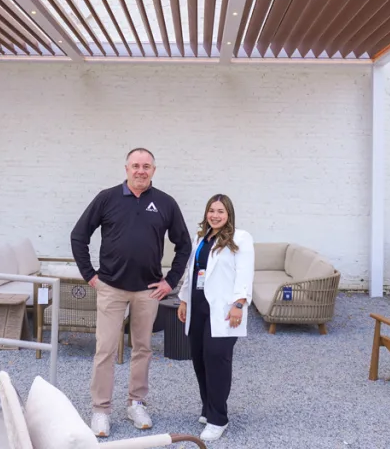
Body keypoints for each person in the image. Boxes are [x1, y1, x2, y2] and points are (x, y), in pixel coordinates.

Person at [71, 148, 192, 438]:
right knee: (105, 350)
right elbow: (79, 236)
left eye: (146, 166)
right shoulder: (107, 198)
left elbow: (184, 244)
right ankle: (100, 410)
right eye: (136, 165)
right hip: (111, 288)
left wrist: (170, 281)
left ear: (154, 170)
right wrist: (90, 275)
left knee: (142, 348)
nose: (141, 170)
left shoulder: (165, 203)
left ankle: (136, 403)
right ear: (126, 168)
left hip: (148, 291)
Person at [177, 194, 254, 442]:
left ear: (229, 214)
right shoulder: (201, 237)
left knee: (216, 360)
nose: (215, 215)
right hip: (198, 305)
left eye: (221, 211)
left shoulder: (240, 238)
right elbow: (193, 271)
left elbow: (244, 274)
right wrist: (184, 299)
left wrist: (239, 304)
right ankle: (207, 408)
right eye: (212, 210)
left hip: (223, 309)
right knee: (199, 359)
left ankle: (218, 419)